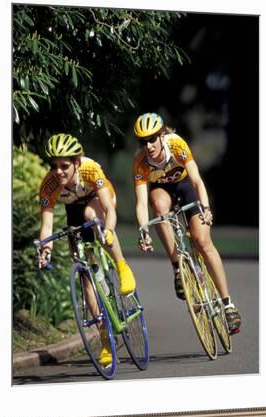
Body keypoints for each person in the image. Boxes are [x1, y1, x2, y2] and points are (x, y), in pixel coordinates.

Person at [132, 113, 241, 334]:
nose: (149, 145)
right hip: (162, 191)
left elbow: (197, 180)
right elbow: (141, 202)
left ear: (162, 135)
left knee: (202, 241)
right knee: (158, 205)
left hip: (185, 186)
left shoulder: (177, 144)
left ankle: (228, 304)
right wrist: (143, 230)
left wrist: (206, 208)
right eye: (143, 141)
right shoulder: (140, 162)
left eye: (153, 138)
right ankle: (177, 267)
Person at [38, 133, 136, 366]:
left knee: (92, 216)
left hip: (97, 200)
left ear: (77, 162)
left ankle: (122, 266)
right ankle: (105, 339)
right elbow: (47, 227)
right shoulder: (48, 186)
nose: (58, 171)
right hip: (73, 207)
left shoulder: (90, 170)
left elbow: (109, 210)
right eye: (53, 166)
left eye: (64, 166)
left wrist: (109, 231)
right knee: (84, 270)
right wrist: (46, 250)